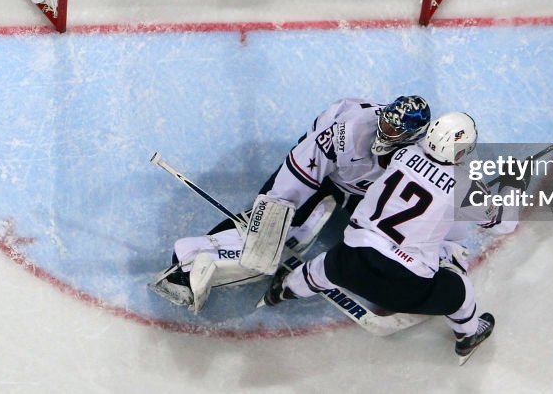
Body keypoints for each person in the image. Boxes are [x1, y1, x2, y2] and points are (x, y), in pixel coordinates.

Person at [149, 95, 432, 311]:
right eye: (383, 121)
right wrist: (271, 219)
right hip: (326, 168)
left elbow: (447, 185)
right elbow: (298, 176)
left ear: (411, 137)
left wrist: (475, 215)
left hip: (364, 191)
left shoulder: (423, 154)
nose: (383, 130)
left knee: (385, 243)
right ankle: (182, 269)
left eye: (393, 131)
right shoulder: (348, 130)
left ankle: (397, 287)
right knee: (280, 225)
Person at [260, 112, 496, 363]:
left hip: (352, 261)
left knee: (322, 268)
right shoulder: (465, 185)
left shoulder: (404, 154)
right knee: (461, 289)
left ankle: (282, 290)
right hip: (406, 288)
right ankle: (468, 334)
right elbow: (496, 223)